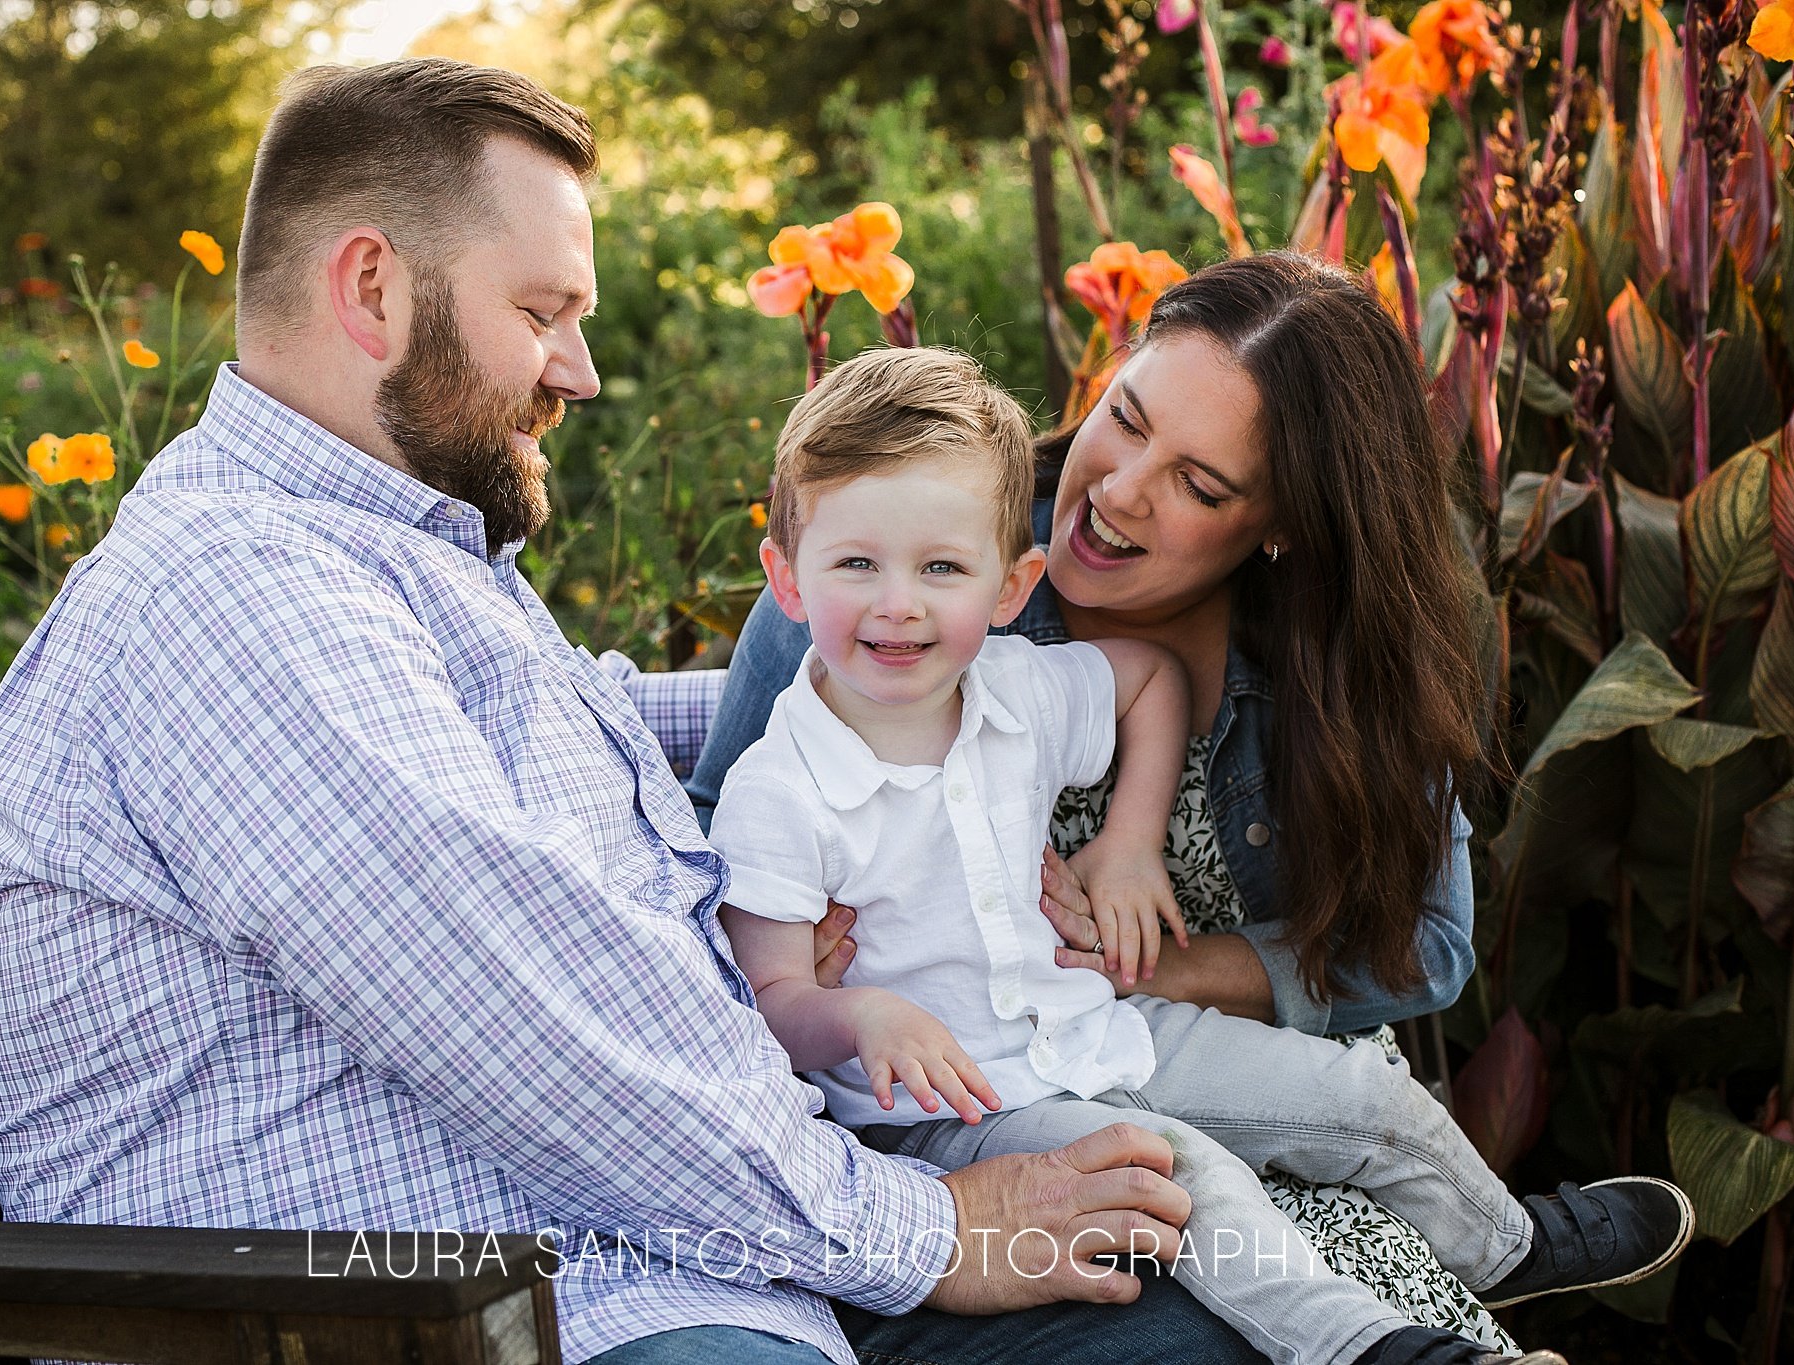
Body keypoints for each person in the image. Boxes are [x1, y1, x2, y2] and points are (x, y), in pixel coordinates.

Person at [0, 58, 1278, 1365]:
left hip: (693, 1252)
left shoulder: (384, 556)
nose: (580, 372)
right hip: (464, 1308)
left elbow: (591, 720)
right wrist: (932, 1232)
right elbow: (539, 1034)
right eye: (544, 310)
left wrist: (922, 687)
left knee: (1212, 1309)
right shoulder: (237, 597)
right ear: (371, 287)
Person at [677, 253, 1655, 1345]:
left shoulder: (1340, 659)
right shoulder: (892, 560)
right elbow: (711, 867)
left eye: (1200, 484)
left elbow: (1423, 945)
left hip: (1145, 1036)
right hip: (984, 1114)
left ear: (1282, 526)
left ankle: (1505, 1254)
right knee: (1186, 1202)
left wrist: (1140, 914)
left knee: (1349, 1128)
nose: (1118, 490)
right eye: (1124, 418)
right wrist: (804, 978)